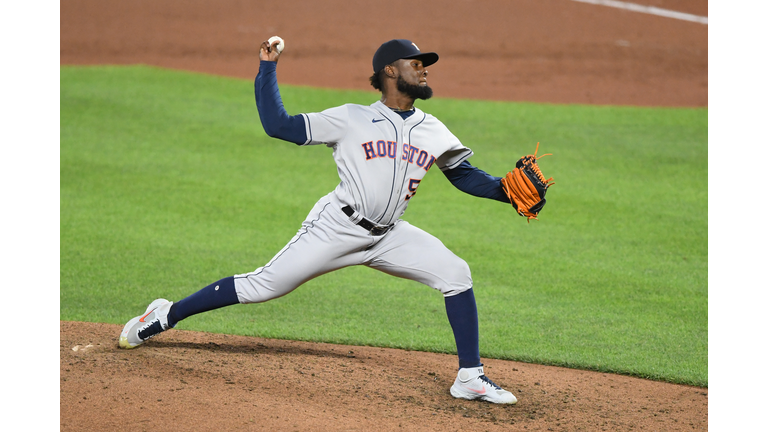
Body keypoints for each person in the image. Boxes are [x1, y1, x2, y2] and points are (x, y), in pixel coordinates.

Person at [119, 38, 517, 404]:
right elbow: (279, 126)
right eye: (416, 63)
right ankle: (164, 314)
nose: (424, 69)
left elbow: (462, 174)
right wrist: (267, 67)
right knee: (263, 286)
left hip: (391, 235)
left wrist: (506, 190)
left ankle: (469, 376)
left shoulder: (433, 128)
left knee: (456, 273)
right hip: (336, 228)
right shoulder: (350, 118)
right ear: (389, 72)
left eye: (425, 64)